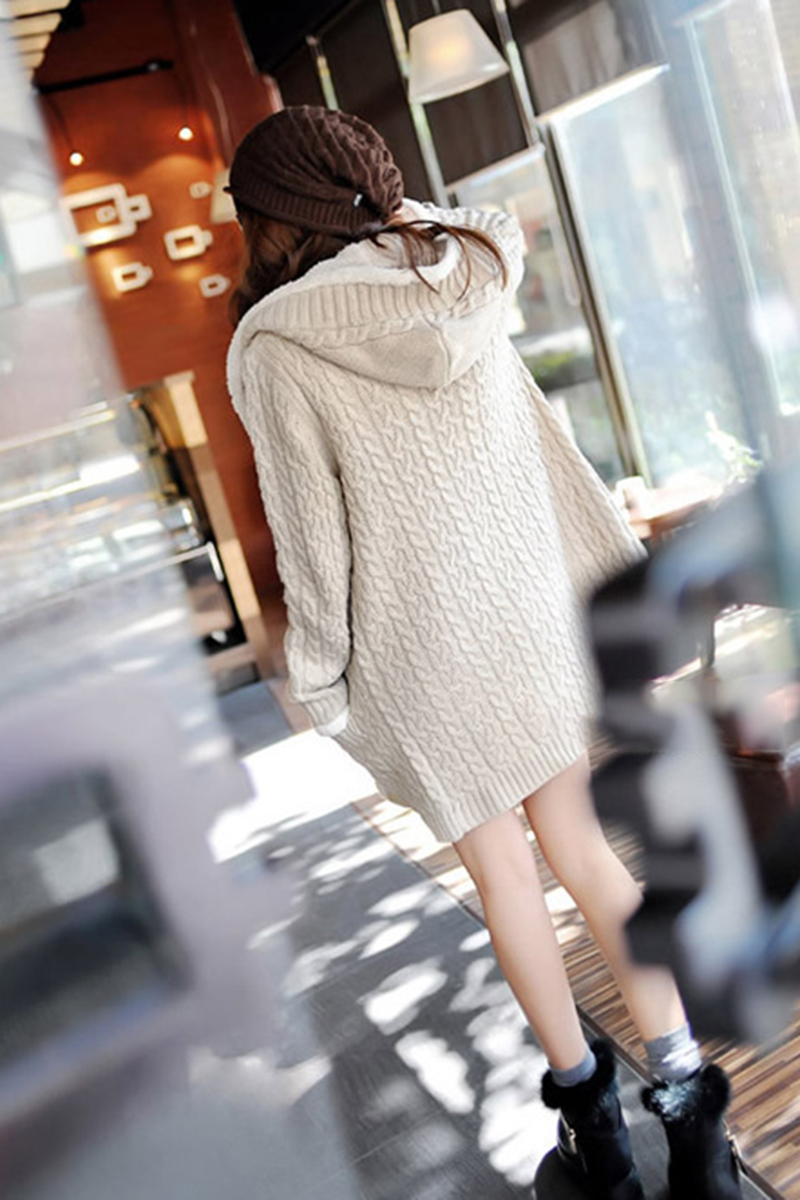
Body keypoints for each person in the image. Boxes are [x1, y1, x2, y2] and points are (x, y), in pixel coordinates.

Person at [225, 105, 742, 1200]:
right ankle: (690, 1112)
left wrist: (317, 677)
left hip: (421, 653)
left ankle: (596, 1140)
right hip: (527, 624)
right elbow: (545, 447)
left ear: (270, 218)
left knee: (503, 876)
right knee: (587, 855)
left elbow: (311, 540)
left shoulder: (273, 346)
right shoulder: (463, 274)